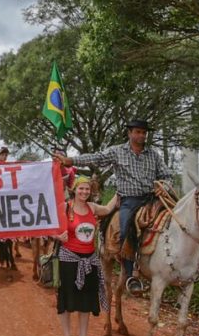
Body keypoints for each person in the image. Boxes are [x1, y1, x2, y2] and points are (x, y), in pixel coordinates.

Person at [54, 119, 171, 295]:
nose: (141, 135)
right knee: (126, 228)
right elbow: (96, 157)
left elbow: (167, 175)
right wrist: (71, 160)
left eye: (144, 133)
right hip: (129, 200)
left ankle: (176, 265)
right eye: (138, 132)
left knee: (175, 219)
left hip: (152, 199)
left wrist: (165, 186)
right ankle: (131, 275)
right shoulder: (117, 151)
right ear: (130, 133)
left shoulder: (153, 155)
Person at [54, 176, 117, 336]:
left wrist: (119, 192)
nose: (84, 192)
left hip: (90, 260)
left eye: (87, 189)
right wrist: (57, 236)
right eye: (81, 188)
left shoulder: (92, 207)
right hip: (68, 260)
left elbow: (108, 208)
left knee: (86, 301)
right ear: (74, 190)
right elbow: (47, 225)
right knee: (66, 300)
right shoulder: (65, 207)